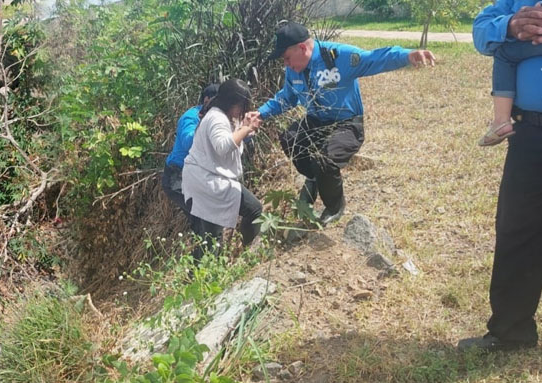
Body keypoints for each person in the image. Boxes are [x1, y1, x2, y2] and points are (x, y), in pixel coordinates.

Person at [252, 22, 436, 224]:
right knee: (290, 138)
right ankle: (312, 179)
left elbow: (373, 59)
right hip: (316, 121)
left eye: (286, 58)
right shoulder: (294, 70)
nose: (286, 64)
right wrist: (261, 114)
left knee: (324, 160)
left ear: (303, 48)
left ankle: (334, 206)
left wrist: (407, 55)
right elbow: (287, 98)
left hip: (347, 124)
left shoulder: (337, 56)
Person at [458, 0, 542, 352]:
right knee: (517, 230)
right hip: (530, 134)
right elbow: (480, 31)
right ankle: (512, 333)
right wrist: (510, 25)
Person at [181, 79, 263, 256]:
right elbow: (223, 146)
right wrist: (247, 128)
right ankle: (246, 255)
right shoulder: (217, 118)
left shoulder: (222, 116)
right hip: (207, 182)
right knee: (213, 239)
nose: (242, 110)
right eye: (241, 106)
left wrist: (244, 126)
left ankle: (244, 254)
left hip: (208, 180)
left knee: (212, 237)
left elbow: (232, 138)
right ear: (232, 103)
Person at [479, 1, 542, 146]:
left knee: (504, 54)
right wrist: (509, 26)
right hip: (528, 131)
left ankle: (501, 120)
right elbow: (480, 30)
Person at [162, 84, 221, 212]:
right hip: (177, 174)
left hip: (196, 174)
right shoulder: (191, 117)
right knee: (202, 215)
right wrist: (204, 124)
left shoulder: (217, 118)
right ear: (207, 100)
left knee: (202, 217)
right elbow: (188, 143)